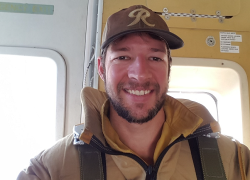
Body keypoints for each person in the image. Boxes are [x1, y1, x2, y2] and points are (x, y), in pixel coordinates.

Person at [17, 5, 250, 180]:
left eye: (155, 58)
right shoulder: (51, 169)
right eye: (123, 57)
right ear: (101, 68)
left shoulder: (232, 160)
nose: (140, 74)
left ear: (169, 66)